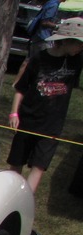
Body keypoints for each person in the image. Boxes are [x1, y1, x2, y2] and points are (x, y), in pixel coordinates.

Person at [7, 17, 83, 193]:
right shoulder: (39, 59)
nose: (81, 47)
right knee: (16, 162)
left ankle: (25, 200)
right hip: (27, 119)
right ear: (66, 41)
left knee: (39, 166)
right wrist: (13, 113)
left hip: (52, 125)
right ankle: (11, 195)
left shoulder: (77, 61)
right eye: (79, 43)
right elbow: (21, 88)